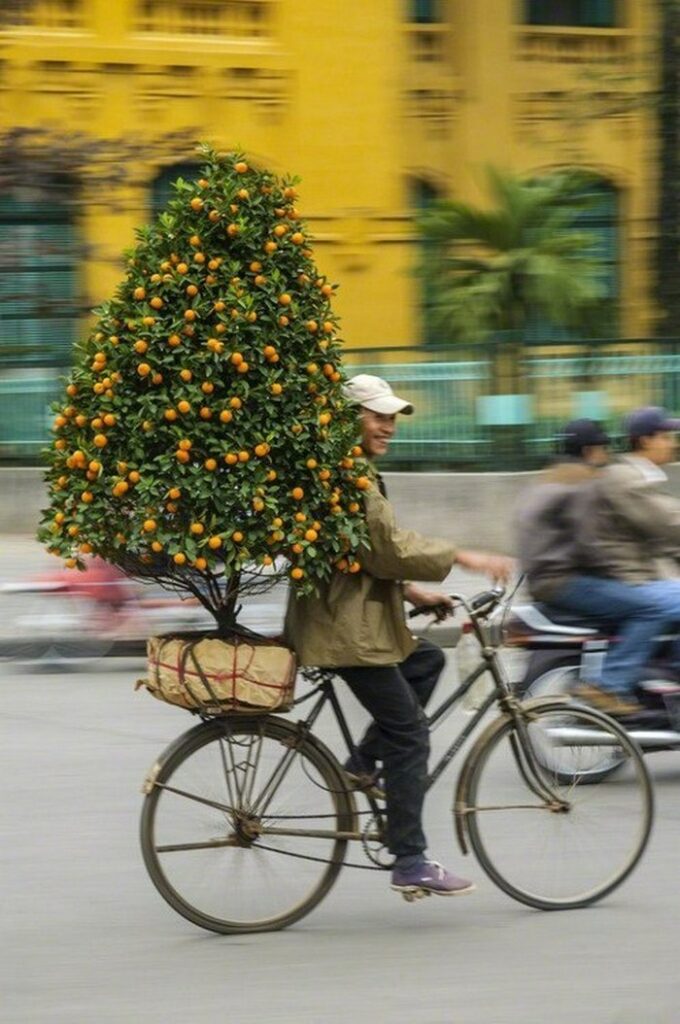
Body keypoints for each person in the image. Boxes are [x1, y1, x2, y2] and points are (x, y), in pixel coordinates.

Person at [284, 373, 513, 898]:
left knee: (426, 662)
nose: (387, 426)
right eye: (377, 415)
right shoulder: (348, 477)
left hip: (348, 620)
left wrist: (411, 594)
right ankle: (410, 859)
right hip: (344, 631)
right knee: (410, 735)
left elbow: (357, 556)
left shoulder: (350, 471)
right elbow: (382, 549)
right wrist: (462, 556)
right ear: (348, 419)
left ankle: (363, 763)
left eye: (391, 417)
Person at [517, 418, 667, 717]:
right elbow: (590, 543)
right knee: (651, 608)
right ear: (590, 451)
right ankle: (610, 685)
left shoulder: (547, 479)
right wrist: (621, 578)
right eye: (602, 449)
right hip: (565, 582)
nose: (606, 456)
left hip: (544, 580)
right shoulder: (581, 482)